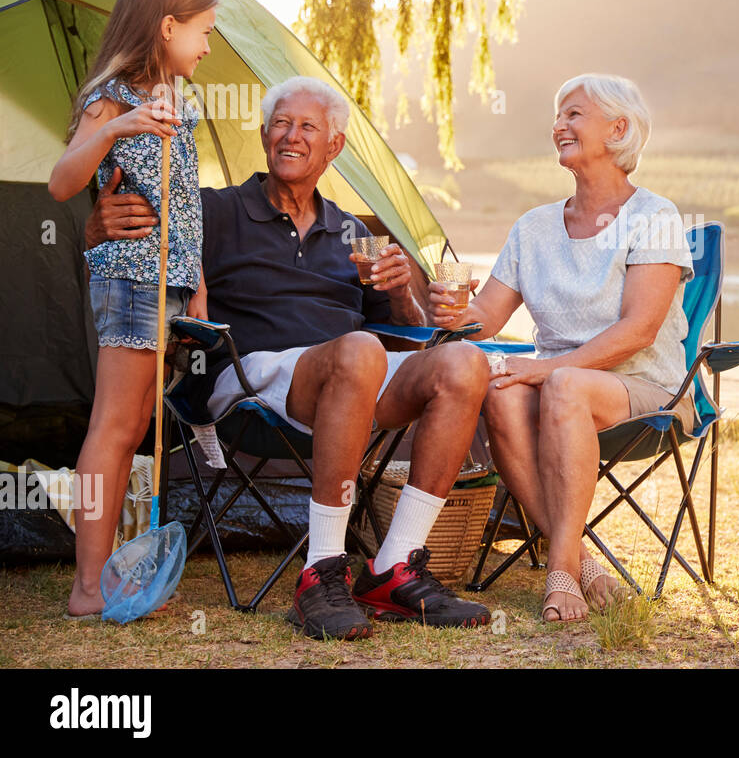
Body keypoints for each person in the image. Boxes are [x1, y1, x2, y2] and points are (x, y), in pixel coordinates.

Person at [86, 76, 492, 640]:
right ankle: (321, 571)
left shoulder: (352, 233)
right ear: (263, 135)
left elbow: (412, 334)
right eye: (281, 124)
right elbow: (130, 241)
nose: (291, 137)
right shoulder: (213, 212)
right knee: (359, 350)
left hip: (357, 375)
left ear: (335, 147)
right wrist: (93, 227)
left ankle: (392, 567)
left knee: (465, 363)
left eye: (307, 127)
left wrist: (403, 293)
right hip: (249, 381)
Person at [429, 73, 695, 623]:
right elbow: (486, 318)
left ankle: (559, 571)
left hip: (645, 387)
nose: (559, 125)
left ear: (618, 129)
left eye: (574, 114)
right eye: (557, 115)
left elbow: (639, 330)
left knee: (562, 384)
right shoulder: (534, 227)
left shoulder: (656, 216)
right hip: (559, 388)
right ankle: (583, 563)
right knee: (500, 391)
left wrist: (546, 369)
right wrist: (453, 312)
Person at [49, 0, 215, 619]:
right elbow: (64, 183)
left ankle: (102, 574)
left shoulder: (179, 101)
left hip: (169, 283)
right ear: (167, 27)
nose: (206, 45)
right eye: (201, 31)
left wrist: (196, 284)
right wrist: (116, 128)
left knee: (131, 427)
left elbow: (182, 203)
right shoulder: (112, 94)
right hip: (132, 280)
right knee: (114, 428)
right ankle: (88, 586)